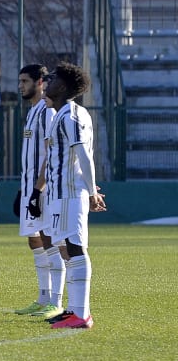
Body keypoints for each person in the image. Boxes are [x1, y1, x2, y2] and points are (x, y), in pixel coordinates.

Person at [43, 62, 107, 329]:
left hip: (70, 192)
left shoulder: (71, 115)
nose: (47, 81)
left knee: (76, 248)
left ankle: (82, 314)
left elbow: (84, 155)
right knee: (64, 249)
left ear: (65, 86)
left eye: (53, 78)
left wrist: (92, 191)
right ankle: (72, 309)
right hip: (59, 193)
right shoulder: (60, 114)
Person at [14, 64, 59, 317]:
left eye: (25, 81)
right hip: (30, 186)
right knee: (34, 240)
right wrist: (25, 189)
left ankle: (55, 300)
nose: (20, 85)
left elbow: (49, 154)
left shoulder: (47, 112)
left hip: (43, 189)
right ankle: (43, 297)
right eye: (19, 81)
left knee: (50, 239)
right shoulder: (32, 112)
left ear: (40, 82)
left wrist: (37, 189)